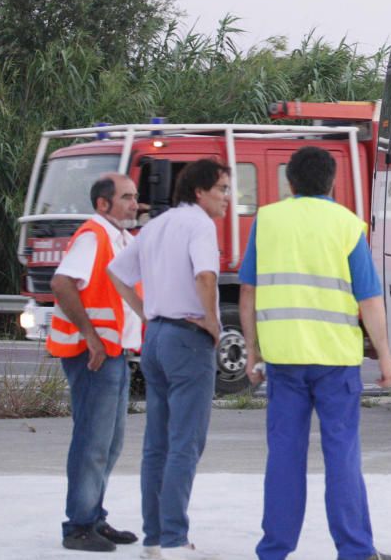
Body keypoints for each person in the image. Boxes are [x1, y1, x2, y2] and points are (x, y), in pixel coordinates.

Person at [238, 146, 391, 560]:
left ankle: (274, 550)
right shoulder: (347, 225)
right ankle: (356, 550)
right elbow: (370, 299)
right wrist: (384, 355)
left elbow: (249, 291)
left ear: (289, 182)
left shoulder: (267, 220)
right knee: (342, 455)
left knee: (285, 457)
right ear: (331, 183)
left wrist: (252, 351)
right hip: (335, 362)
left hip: (284, 360)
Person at [108, 159, 230, 560]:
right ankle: (176, 537)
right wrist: (213, 322)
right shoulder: (200, 225)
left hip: (156, 336)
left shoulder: (157, 224)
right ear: (200, 191)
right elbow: (206, 276)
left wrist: (145, 312)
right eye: (222, 189)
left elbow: (117, 272)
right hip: (186, 339)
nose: (227, 198)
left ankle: (155, 536)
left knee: (156, 444)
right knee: (186, 442)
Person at [48, 173, 141, 552]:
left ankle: (94, 517)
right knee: (93, 441)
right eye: (127, 197)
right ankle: (80, 525)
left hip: (113, 354)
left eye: (135, 197)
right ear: (103, 204)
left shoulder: (120, 238)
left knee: (109, 441)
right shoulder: (94, 235)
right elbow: (61, 283)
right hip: (94, 356)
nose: (135, 203)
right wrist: (91, 337)